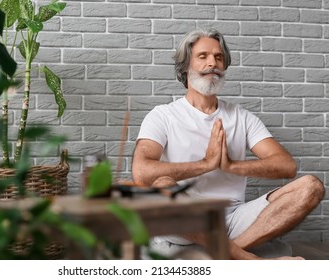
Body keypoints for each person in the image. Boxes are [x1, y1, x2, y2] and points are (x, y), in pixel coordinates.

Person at [132, 28, 325, 260]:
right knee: (162, 186)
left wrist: (231, 166)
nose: (212, 62)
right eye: (203, 56)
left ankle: (223, 253)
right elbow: (142, 173)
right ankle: (247, 260)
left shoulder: (241, 116)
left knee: (311, 187)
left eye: (218, 57)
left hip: (235, 218)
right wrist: (206, 164)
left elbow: (286, 166)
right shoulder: (162, 115)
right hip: (186, 222)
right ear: (185, 67)